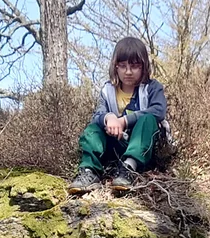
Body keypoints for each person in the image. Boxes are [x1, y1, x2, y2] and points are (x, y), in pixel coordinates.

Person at [69, 36, 167, 194]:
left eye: (134, 66)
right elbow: (98, 114)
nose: (128, 72)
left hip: (145, 147)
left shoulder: (152, 88)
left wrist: (124, 121)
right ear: (116, 67)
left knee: (148, 119)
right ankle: (89, 171)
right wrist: (109, 118)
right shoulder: (107, 90)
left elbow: (158, 110)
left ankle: (129, 169)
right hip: (118, 144)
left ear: (143, 67)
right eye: (123, 66)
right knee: (94, 127)